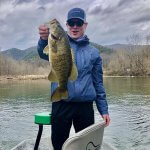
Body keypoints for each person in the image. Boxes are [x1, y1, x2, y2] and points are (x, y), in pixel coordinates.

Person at [37, 8, 110, 150]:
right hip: (61, 104)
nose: (75, 26)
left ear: (85, 25)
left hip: (85, 107)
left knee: (86, 146)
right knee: (58, 144)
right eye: (71, 23)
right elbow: (42, 52)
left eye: (78, 23)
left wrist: (104, 110)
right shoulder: (57, 43)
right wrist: (43, 39)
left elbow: (98, 83)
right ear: (67, 25)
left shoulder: (94, 52)